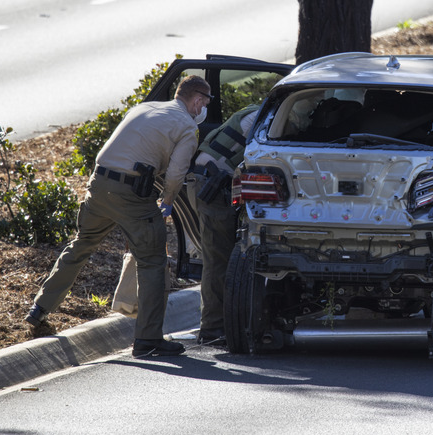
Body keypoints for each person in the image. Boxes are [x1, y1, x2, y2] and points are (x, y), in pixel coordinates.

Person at [24, 75, 213, 357]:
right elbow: (175, 173)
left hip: (98, 185)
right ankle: (149, 340)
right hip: (132, 195)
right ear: (197, 100)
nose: (204, 110)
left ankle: (39, 308)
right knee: (152, 261)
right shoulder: (186, 126)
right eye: (205, 103)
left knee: (81, 244)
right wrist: (168, 201)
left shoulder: (144, 108)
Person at [186, 103, 260, 346]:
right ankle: (213, 329)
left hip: (207, 180)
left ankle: (224, 324)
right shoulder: (270, 116)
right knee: (218, 260)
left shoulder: (256, 110)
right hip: (213, 186)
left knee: (221, 257)